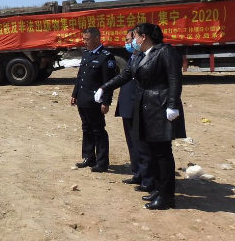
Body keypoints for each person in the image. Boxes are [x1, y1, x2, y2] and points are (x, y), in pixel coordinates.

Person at [95, 23, 185, 210]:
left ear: (144, 37)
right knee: (151, 151)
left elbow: (174, 79)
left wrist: (172, 105)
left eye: (135, 36)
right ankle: (158, 189)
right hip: (145, 107)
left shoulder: (164, 52)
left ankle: (167, 197)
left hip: (160, 107)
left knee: (162, 153)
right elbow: (125, 75)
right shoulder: (140, 55)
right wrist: (105, 87)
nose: (133, 40)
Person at [71, 27, 116, 172]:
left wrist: (106, 102)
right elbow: (80, 76)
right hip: (83, 98)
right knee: (86, 128)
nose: (84, 41)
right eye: (83, 39)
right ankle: (89, 157)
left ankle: (102, 162)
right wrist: (75, 93)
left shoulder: (106, 56)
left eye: (87, 39)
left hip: (95, 101)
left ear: (97, 38)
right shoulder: (86, 54)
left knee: (98, 130)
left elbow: (108, 82)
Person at [116, 28, 153, 191]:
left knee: (141, 143)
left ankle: (147, 178)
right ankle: (137, 173)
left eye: (130, 39)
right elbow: (123, 77)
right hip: (128, 104)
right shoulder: (134, 56)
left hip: (138, 105)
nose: (128, 43)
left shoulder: (147, 57)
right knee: (132, 142)